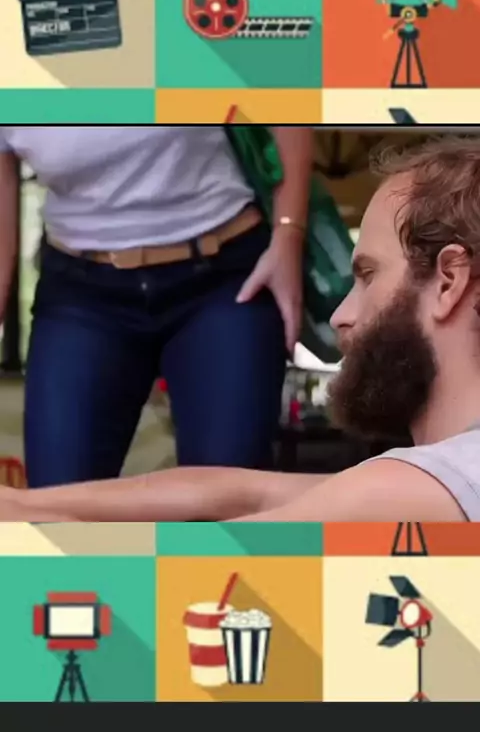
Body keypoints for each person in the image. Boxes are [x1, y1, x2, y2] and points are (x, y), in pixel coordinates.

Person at [3, 133, 479, 523]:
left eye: (368, 275)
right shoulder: (441, 473)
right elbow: (239, 491)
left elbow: (206, 565)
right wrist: (25, 504)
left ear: (448, 281)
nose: (339, 315)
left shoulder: (404, 491)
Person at [0, 127, 313, 487]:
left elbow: (284, 110)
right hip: (79, 292)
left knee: (228, 495)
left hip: (224, 278)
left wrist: (289, 236)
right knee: (57, 498)